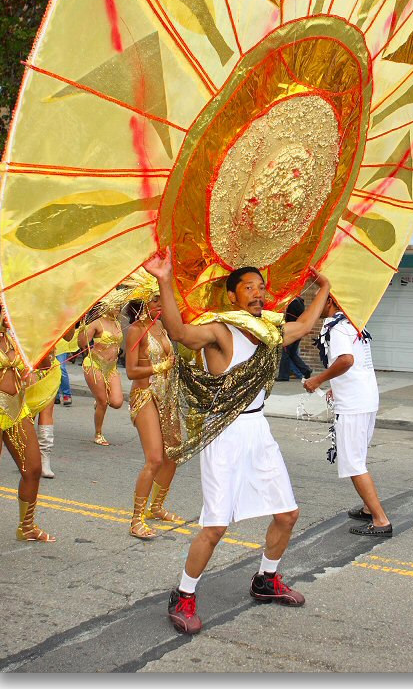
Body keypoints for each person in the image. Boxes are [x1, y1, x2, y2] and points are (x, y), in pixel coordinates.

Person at [144, 248, 330, 635]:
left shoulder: (272, 329)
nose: (258, 293)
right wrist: (164, 278)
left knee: (287, 513)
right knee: (215, 525)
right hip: (225, 434)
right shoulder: (219, 330)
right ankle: (183, 595)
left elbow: (306, 325)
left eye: (262, 288)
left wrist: (323, 285)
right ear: (232, 296)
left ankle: (266, 580)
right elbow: (179, 334)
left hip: (257, 431)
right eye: (249, 287)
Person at [303, 294, 392, 538]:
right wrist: (336, 386)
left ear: (331, 301)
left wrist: (318, 380)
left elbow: (346, 360)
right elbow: (358, 362)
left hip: (354, 404)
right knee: (358, 458)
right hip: (365, 398)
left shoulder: (337, 328)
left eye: (320, 300)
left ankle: (381, 520)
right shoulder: (353, 323)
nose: (316, 304)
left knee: (353, 463)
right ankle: (367, 508)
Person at [0, 303, 56, 541]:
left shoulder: (15, 335)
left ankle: (26, 527)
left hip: (16, 409)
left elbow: (41, 365)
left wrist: (46, 345)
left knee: (33, 469)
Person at [125, 292, 184, 540]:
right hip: (146, 394)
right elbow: (130, 371)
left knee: (174, 454)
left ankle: (156, 507)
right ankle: (135, 519)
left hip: (167, 395)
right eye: (155, 299)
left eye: (162, 298)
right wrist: (160, 367)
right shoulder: (136, 329)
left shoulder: (160, 324)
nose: (161, 303)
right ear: (142, 303)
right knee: (155, 459)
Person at [78, 305, 124, 445]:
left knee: (117, 402)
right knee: (103, 401)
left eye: (120, 306)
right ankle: (98, 433)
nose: (118, 308)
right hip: (94, 365)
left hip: (111, 368)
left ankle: (99, 400)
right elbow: (81, 344)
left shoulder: (117, 322)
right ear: (106, 305)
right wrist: (83, 328)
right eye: (115, 305)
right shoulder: (96, 322)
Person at [24, 349, 61, 479]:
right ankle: (26, 457)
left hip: (51, 367)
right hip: (30, 363)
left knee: (47, 409)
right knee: (28, 412)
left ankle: (45, 460)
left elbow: (68, 337)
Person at [276, 296, 312, 381]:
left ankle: (283, 376)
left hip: (292, 331)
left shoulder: (294, 303)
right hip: (298, 330)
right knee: (292, 353)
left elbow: (290, 319)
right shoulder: (300, 302)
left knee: (286, 353)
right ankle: (305, 369)